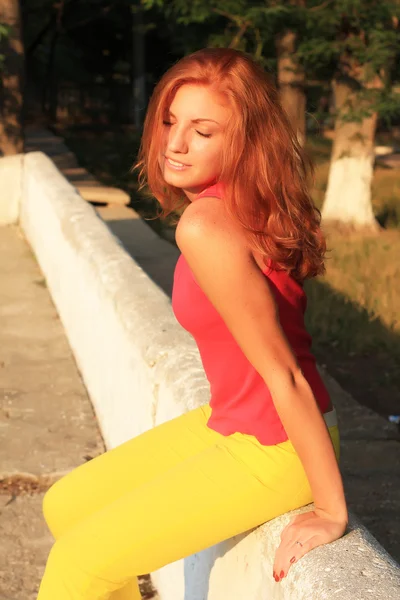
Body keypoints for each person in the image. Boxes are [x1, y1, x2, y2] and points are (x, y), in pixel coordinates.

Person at [36, 47, 348, 600]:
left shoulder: (205, 226)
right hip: (230, 421)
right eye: (169, 122)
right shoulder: (239, 203)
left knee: (81, 562)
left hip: (275, 447)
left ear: (245, 141)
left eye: (202, 131)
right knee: (66, 506)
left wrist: (329, 508)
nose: (174, 144)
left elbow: (287, 374)